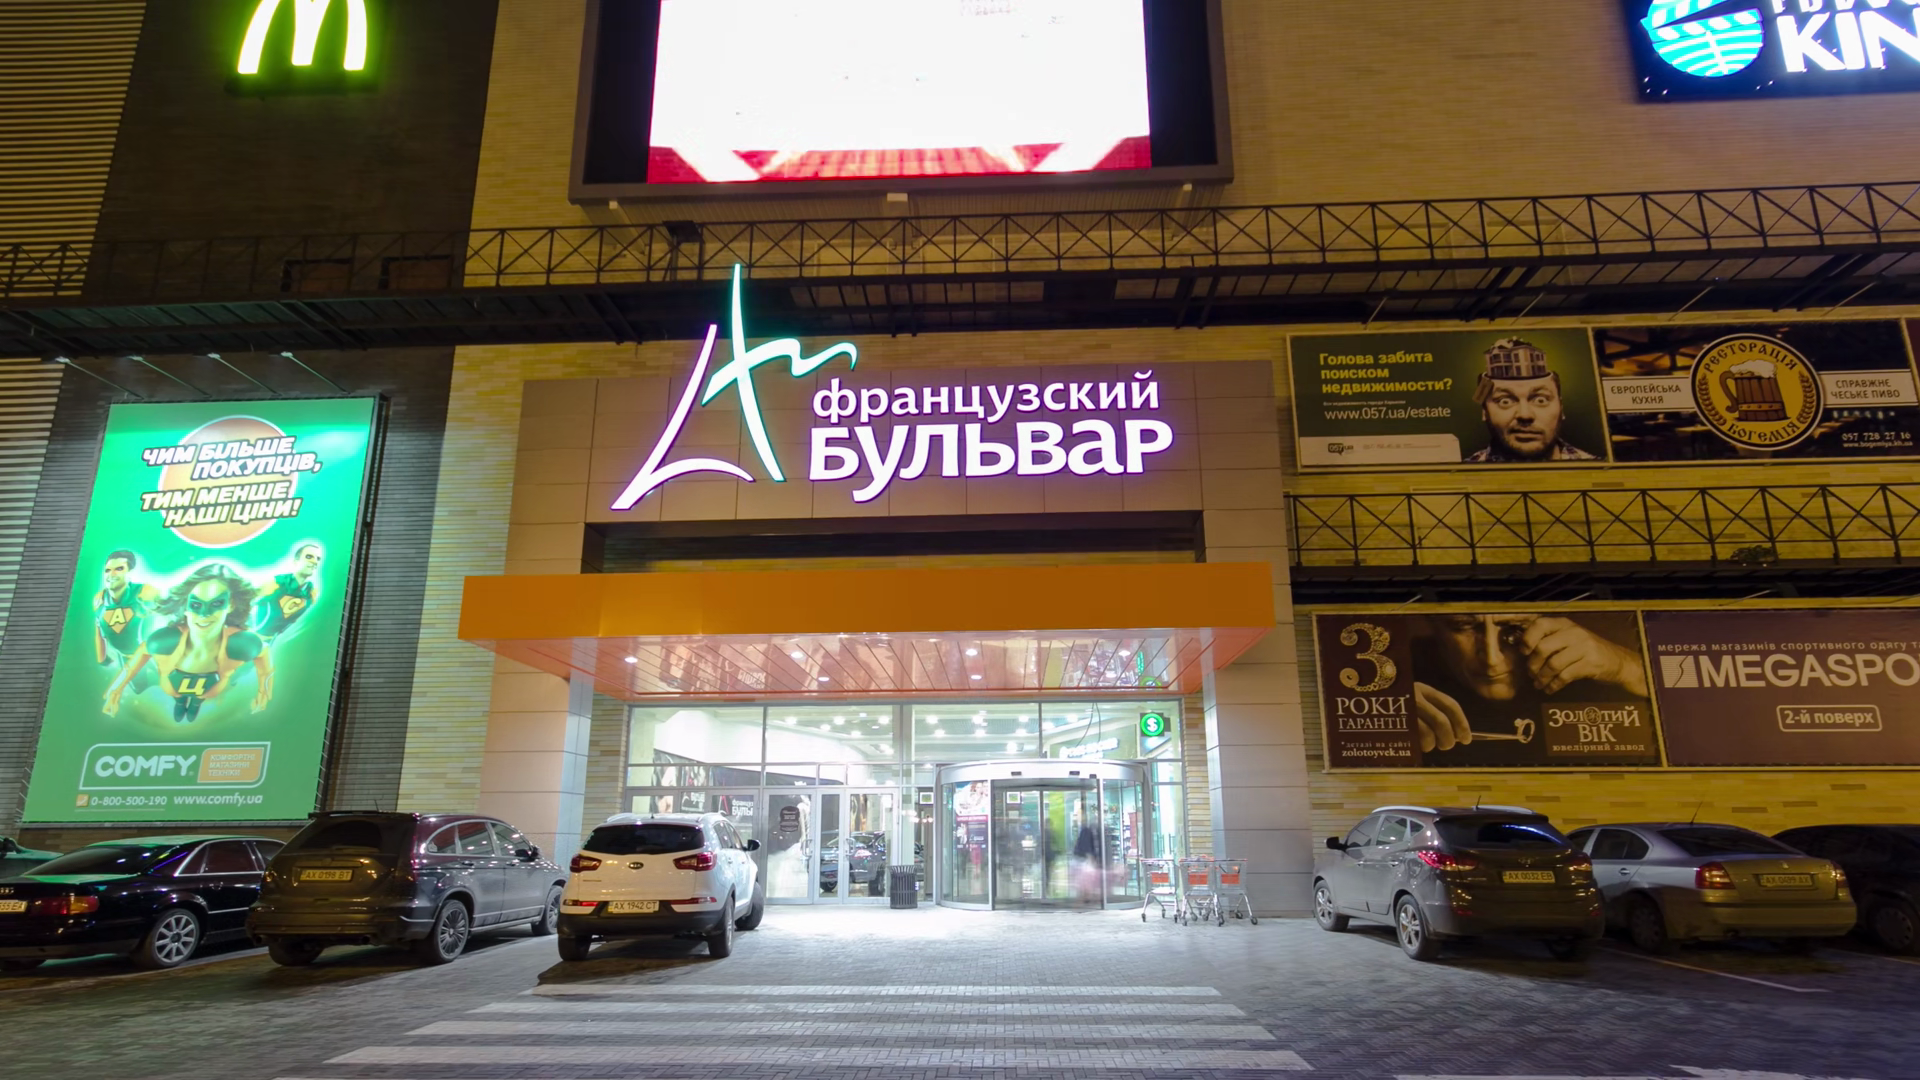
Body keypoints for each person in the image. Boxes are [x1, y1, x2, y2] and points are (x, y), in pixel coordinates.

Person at [1412, 613, 1648, 765]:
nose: (1492, 659)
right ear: (1431, 622)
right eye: (1462, 626)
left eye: (1515, 628)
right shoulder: (1404, 671)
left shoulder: (1593, 669)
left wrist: (1631, 668)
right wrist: (1393, 707)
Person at [104, 563, 274, 724]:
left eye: (216, 603)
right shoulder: (164, 642)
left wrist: (264, 691)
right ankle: (180, 702)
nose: (204, 614)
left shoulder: (242, 644)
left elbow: (264, 655)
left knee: (202, 695)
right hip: (173, 686)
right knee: (176, 693)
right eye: (196, 604)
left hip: (209, 689)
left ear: (231, 605)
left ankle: (196, 703)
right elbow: (138, 657)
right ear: (186, 606)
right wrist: (115, 689)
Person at [1464, 338, 1598, 463]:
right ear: (1485, 411)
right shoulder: (1462, 473)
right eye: (1505, 401)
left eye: (1541, 400)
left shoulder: (1598, 469)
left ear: (1561, 408)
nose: (1525, 415)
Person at [93, 549, 160, 693]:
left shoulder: (145, 592)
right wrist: (102, 659)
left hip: (155, 655)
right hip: (127, 657)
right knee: (139, 689)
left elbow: (170, 611)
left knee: (171, 685)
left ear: (130, 572)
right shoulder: (100, 599)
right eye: (107, 570)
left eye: (119, 569)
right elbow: (99, 632)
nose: (111, 574)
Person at [254, 541, 323, 643]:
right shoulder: (276, 583)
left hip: (283, 645)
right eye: (309, 557)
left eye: (318, 559)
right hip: (257, 640)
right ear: (296, 562)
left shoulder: (312, 593)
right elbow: (247, 597)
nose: (315, 562)